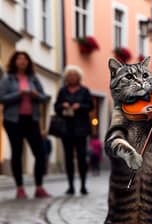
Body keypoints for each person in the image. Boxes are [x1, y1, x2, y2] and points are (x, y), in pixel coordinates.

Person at [0, 51, 51, 199]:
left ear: (28, 62)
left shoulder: (33, 78)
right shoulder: (7, 79)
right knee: (17, 152)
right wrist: (19, 94)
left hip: (32, 120)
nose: (22, 62)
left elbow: (44, 98)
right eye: (19, 59)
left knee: (40, 152)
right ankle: (20, 188)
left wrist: (36, 95)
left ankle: (39, 186)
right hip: (13, 121)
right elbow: (1, 98)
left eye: (25, 59)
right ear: (14, 62)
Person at [54, 65, 93, 195]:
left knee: (82, 157)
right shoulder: (62, 91)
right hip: (66, 128)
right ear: (66, 77)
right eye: (69, 75)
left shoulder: (84, 91)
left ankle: (83, 185)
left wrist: (80, 106)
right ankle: (70, 185)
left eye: (74, 75)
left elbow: (90, 106)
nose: (71, 77)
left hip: (81, 128)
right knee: (68, 158)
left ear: (78, 77)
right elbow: (56, 107)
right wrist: (62, 105)